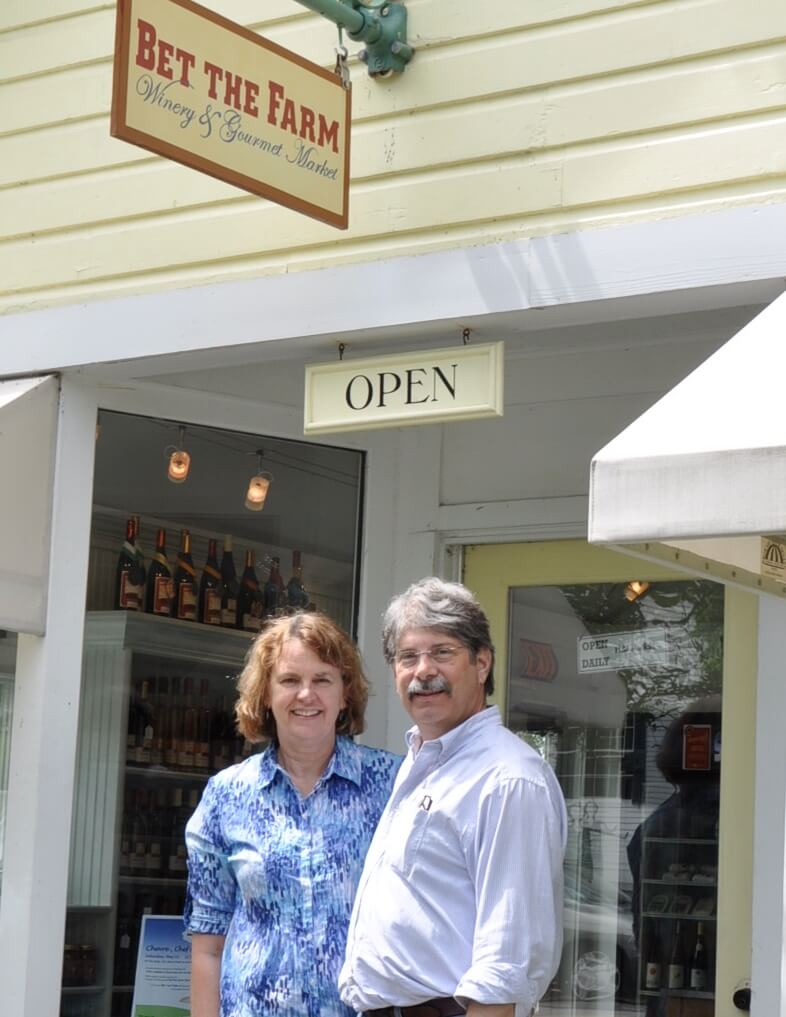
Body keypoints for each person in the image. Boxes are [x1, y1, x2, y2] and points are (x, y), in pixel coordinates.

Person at [339, 577, 567, 1017]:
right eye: (408, 657)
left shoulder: (507, 779)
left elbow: (506, 962)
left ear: (482, 663)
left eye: (442, 652)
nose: (423, 671)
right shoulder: (423, 761)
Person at [184, 612, 402, 1017]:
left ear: (345, 693)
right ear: (265, 693)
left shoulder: (392, 786)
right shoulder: (227, 796)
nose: (307, 694)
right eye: (289, 680)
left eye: (322, 680)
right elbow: (208, 945)